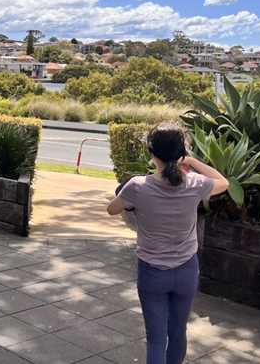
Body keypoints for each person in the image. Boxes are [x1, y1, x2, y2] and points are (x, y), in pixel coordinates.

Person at [107, 124, 229, 364]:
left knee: (156, 340)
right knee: (177, 332)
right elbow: (223, 182)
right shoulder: (195, 184)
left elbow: (112, 209)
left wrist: (131, 204)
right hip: (186, 271)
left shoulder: (137, 186)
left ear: (151, 153)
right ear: (180, 152)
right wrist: (191, 161)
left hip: (152, 272)